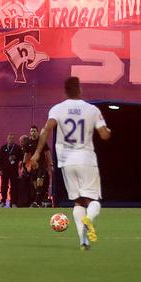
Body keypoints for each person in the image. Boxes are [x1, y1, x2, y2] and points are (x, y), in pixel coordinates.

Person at [31, 76, 111, 251]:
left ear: (65, 91)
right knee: (93, 200)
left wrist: (37, 153)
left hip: (66, 161)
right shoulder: (91, 110)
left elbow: (46, 129)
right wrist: (107, 130)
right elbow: (104, 135)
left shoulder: (58, 109)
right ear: (80, 89)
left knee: (78, 201)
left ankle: (84, 241)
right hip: (86, 159)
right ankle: (89, 219)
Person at [0, 136, 20, 208]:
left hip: (14, 170)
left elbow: (21, 157)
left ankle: (14, 202)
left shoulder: (17, 148)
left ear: (14, 140)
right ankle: (3, 201)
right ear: (7, 139)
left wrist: (16, 157)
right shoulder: (3, 148)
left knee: (14, 187)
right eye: (10, 138)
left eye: (12, 138)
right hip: (5, 171)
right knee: (4, 186)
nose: (11, 140)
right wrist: (0, 169)